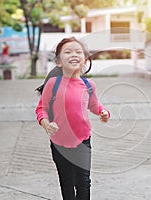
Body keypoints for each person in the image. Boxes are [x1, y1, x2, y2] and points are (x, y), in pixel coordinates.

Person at [35, 37, 110, 200]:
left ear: (84, 61)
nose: (74, 55)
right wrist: (45, 123)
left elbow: (94, 105)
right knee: (66, 182)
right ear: (58, 61)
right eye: (68, 52)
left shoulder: (88, 85)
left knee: (83, 183)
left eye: (78, 52)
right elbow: (42, 108)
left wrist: (103, 112)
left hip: (82, 140)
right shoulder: (53, 84)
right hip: (59, 143)